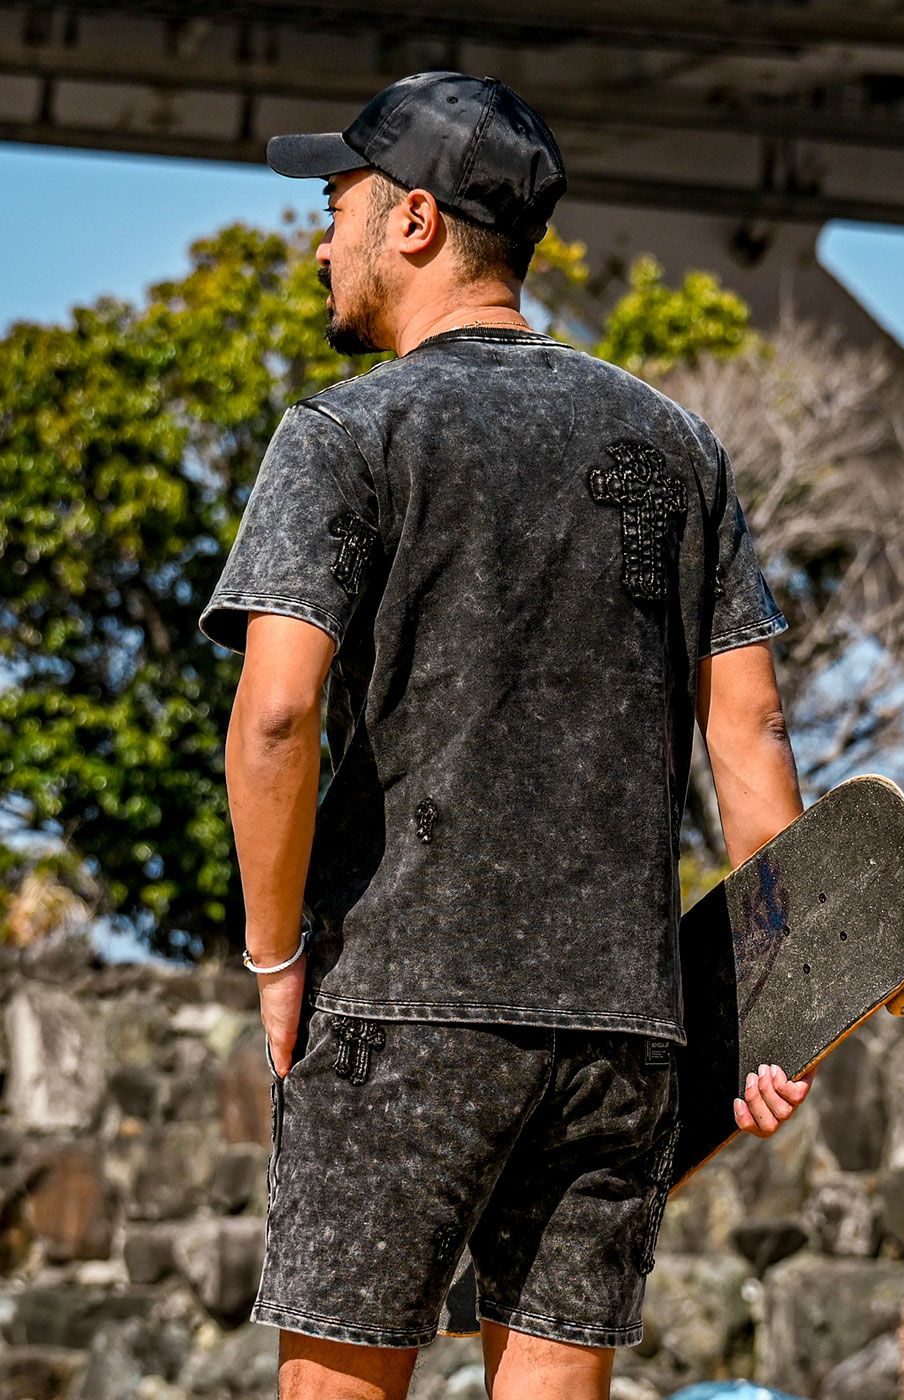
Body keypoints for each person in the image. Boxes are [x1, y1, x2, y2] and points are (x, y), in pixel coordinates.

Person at [198, 70, 815, 1400]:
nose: (320, 245)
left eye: (337, 208)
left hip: (399, 1007)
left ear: (414, 222)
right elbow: (752, 733)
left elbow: (277, 712)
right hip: (621, 1029)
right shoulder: (679, 448)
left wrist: (275, 954)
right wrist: (782, 1011)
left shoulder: (347, 432)